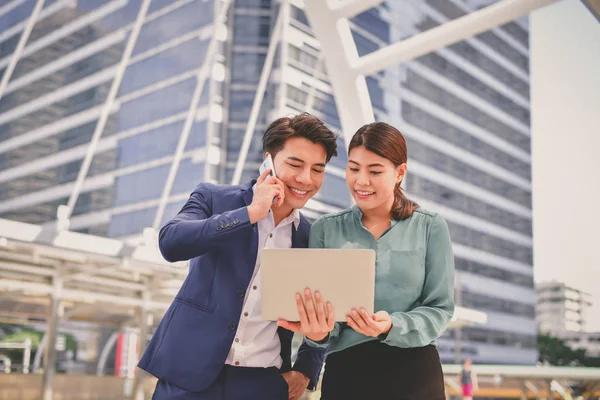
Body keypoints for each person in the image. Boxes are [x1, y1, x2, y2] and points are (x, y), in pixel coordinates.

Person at [138, 113, 339, 400]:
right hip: (189, 378)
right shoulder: (214, 198)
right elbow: (171, 243)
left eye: (317, 169)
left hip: (263, 384)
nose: (306, 179)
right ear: (268, 161)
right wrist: (250, 214)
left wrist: (306, 369)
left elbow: (325, 312)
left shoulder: (312, 237)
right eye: (295, 164)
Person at [280, 122, 455, 399]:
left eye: (374, 171)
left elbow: (440, 308)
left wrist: (390, 325)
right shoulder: (325, 230)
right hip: (346, 375)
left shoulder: (430, 227)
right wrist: (318, 331)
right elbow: (326, 322)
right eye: (353, 168)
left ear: (400, 173)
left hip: (415, 375)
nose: (361, 181)